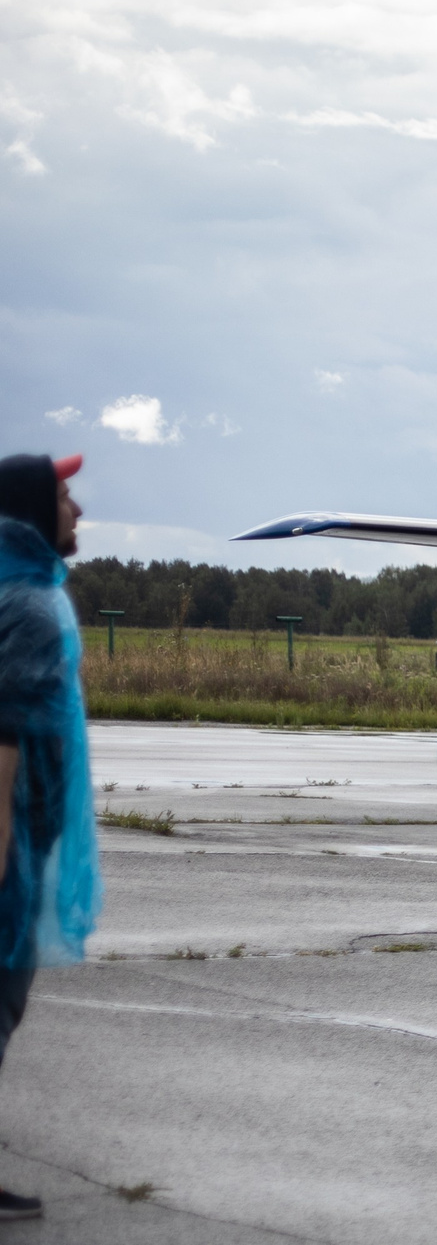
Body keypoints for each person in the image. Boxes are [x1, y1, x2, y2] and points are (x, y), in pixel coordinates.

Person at [0, 453, 101, 1224]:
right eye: (65, 496)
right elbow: (3, 739)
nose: (78, 509)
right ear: (37, 509)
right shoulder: (31, 608)